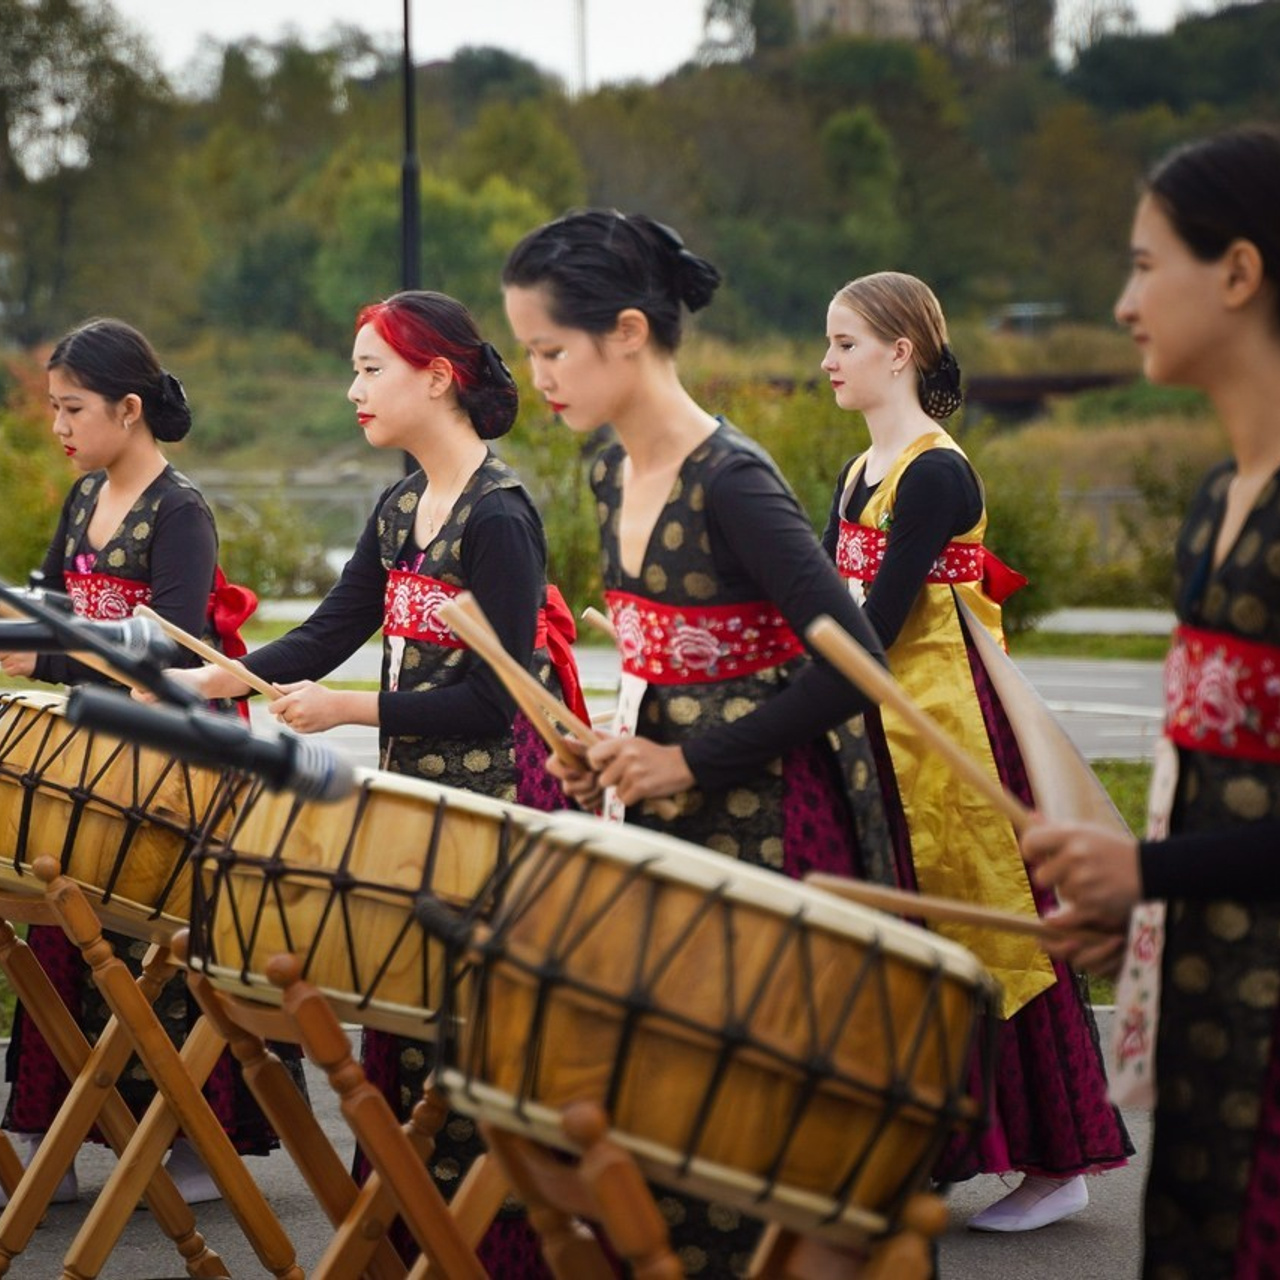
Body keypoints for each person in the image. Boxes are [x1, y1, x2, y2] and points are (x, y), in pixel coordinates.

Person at [502, 209, 892, 1276]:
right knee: (665, 1118)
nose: (537, 374)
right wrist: (608, 743)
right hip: (668, 833)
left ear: (627, 331)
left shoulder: (734, 480)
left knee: (766, 1128)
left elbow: (857, 663)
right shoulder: (599, 471)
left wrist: (690, 759)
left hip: (772, 836)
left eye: (551, 349)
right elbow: (668, 663)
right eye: (528, 352)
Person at [169, 289, 582, 1275]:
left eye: (368, 369)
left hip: (493, 816)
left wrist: (347, 709)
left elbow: (495, 700)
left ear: (436, 377)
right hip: (417, 811)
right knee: (406, 1041)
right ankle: (410, 1241)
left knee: (472, 1052)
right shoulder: (401, 505)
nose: (350, 387)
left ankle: (500, 1249)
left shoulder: (500, 517)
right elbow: (330, 627)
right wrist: (215, 675)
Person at [818, 271, 1132, 1231]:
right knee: (909, 939)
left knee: (992, 933)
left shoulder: (936, 471)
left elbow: (874, 621)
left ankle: (1056, 1165)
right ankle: (934, 1149)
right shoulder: (858, 471)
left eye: (844, 344)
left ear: (900, 351)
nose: (825, 363)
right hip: (886, 724)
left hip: (949, 735)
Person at [1024, 124, 1280, 1277]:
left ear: (1235, 272)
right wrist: (1141, 903)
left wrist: (1147, 874)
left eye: (1141, 264)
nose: (1124, 303)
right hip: (1201, 1005)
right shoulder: (1215, 496)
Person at [0, 317, 263, 1205]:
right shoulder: (84, 498)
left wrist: (51, 658)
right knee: (61, 930)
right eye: (53, 408)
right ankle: (51, 1136)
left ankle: (189, 1140)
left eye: (74, 409)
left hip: (166, 768)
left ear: (129, 407)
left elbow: (170, 655)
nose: (60, 427)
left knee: (150, 946)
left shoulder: (179, 509)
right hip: (92, 760)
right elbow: (48, 603)